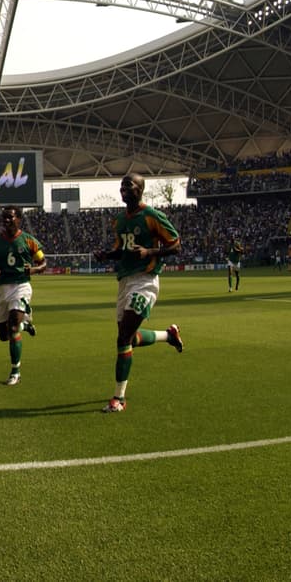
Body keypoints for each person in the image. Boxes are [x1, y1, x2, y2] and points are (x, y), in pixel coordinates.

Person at [92, 173, 184, 413]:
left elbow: (175, 245)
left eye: (129, 185)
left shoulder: (152, 216)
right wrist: (105, 255)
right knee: (129, 338)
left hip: (145, 280)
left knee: (123, 338)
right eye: (122, 185)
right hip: (124, 280)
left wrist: (151, 252)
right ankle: (169, 336)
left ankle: (118, 398)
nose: (123, 188)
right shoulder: (120, 220)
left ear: (140, 189)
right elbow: (120, 250)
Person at [0, 206, 45, 386]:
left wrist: (34, 269)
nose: (6, 220)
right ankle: (26, 324)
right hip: (2, 289)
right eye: (4, 218)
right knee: (3, 334)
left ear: (19, 219)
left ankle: (15, 371)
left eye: (10, 217)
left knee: (13, 327)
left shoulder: (28, 240)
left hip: (21, 286)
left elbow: (43, 262)